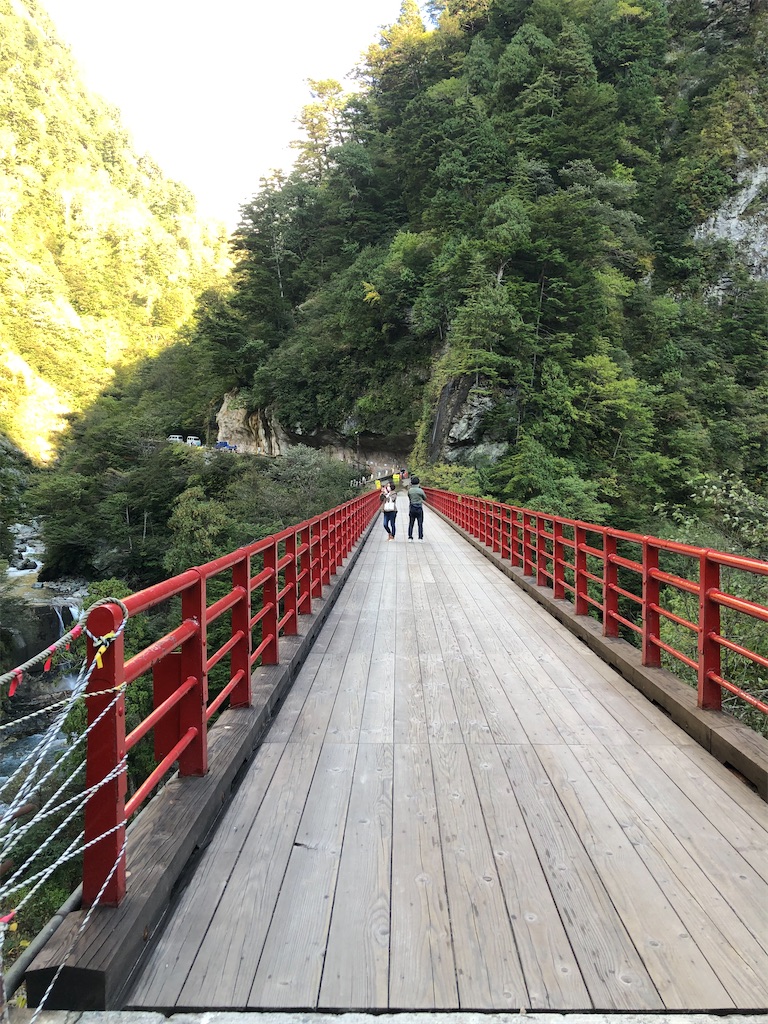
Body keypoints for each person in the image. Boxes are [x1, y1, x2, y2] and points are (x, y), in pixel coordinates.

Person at [407, 475, 426, 540]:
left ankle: (410, 537)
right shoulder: (420, 490)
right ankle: (420, 537)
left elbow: (409, 497)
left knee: (411, 523)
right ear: (418, 482)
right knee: (420, 523)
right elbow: (425, 498)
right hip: (419, 507)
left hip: (412, 507)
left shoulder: (410, 490)